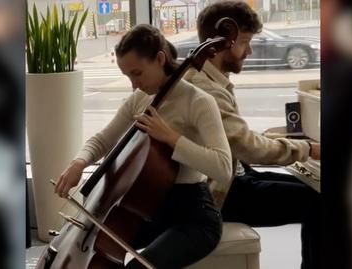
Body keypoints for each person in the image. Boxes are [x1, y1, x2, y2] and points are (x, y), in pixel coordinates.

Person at [54, 24, 232, 269]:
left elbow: (223, 168)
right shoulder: (140, 98)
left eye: (137, 73)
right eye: (128, 76)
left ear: (160, 59)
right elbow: (103, 139)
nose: (133, 85)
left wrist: (171, 137)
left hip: (194, 216)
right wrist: (79, 161)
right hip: (151, 209)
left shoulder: (199, 102)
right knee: (95, 242)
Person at [183, 1, 320, 269]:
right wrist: (308, 149)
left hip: (235, 176)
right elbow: (247, 147)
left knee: (313, 190)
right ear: (221, 43)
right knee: (318, 204)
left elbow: (235, 138)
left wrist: (285, 143)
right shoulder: (204, 88)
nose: (249, 50)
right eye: (244, 42)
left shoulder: (208, 78)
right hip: (220, 194)